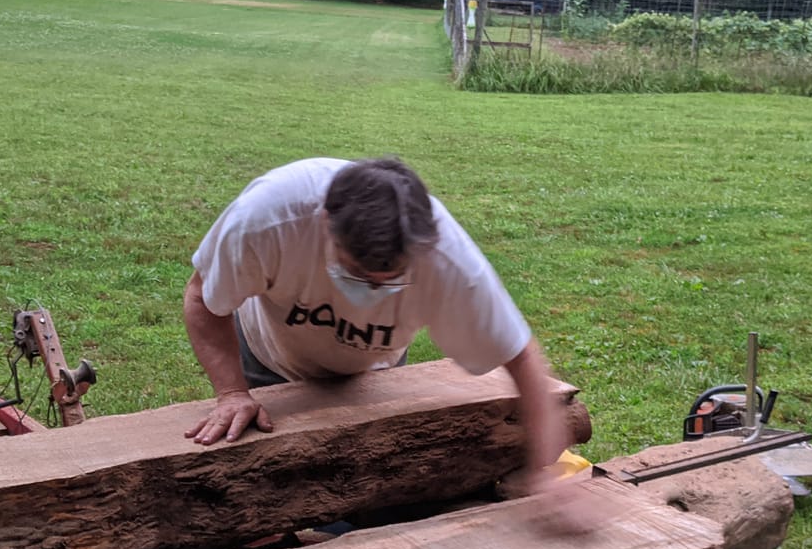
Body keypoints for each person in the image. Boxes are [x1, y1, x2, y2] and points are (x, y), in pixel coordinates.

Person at [181, 156, 572, 499]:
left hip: (373, 369)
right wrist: (232, 393)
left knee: (366, 483)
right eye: (357, 273)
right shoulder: (266, 219)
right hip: (271, 356)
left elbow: (520, 357)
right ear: (325, 223)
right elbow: (201, 298)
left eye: (389, 279)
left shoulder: (448, 259)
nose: (370, 293)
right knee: (267, 488)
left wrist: (547, 473)